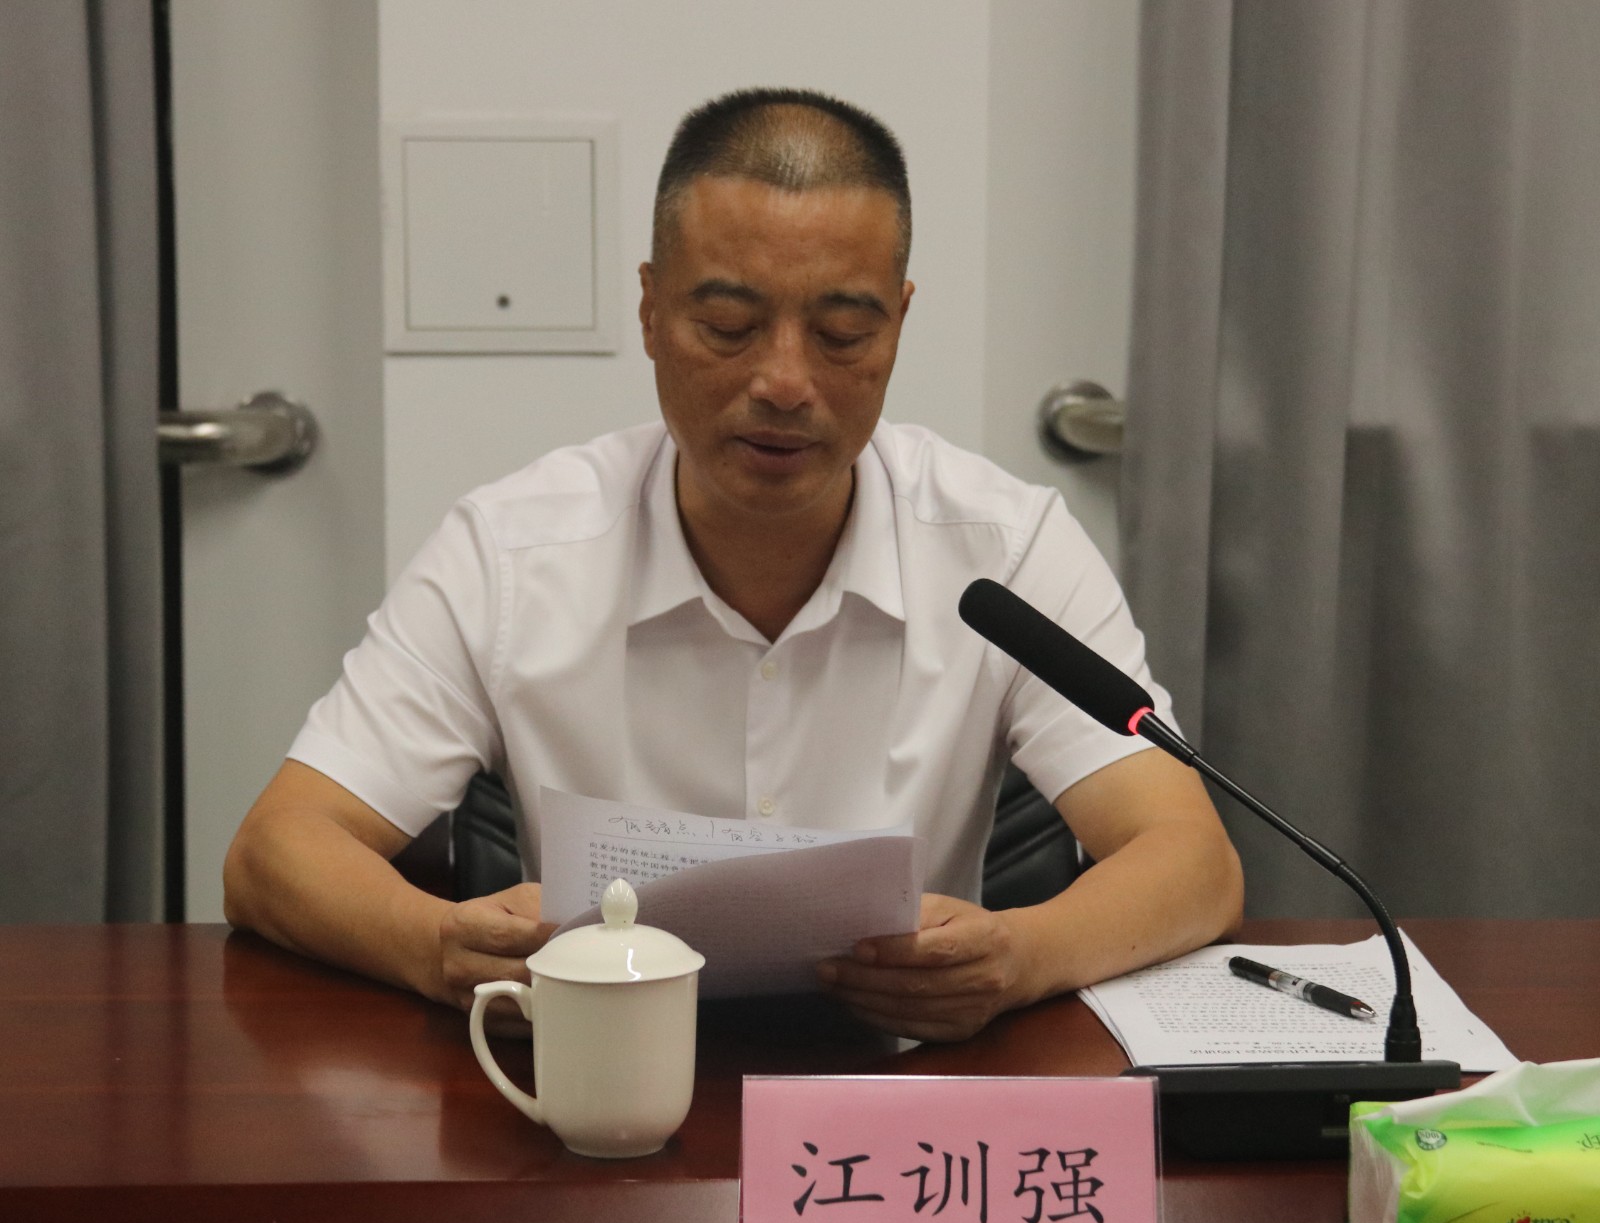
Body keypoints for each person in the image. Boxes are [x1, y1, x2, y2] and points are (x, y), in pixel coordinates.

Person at [224, 87, 1242, 1042]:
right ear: (650, 310)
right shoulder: (512, 552)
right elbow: (276, 851)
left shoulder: (1004, 549)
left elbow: (1191, 859)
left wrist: (1020, 956)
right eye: (728, 326)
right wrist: (435, 946)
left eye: (841, 332)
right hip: (590, 1081)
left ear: (897, 323)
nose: (784, 381)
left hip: (901, 1090)